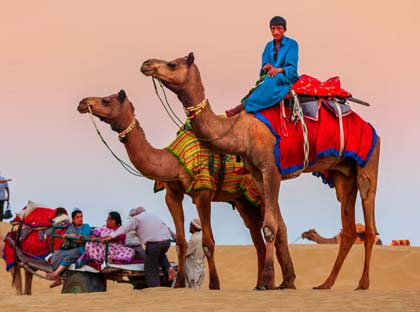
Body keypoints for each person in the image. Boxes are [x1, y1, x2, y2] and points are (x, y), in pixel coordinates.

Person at [226, 16, 299, 116]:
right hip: (270, 77)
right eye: (273, 28)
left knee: (273, 79)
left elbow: (292, 69)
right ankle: (247, 105)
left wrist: (278, 69)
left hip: (285, 78)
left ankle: (244, 106)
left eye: (279, 28)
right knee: (263, 82)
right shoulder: (268, 46)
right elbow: (263, 70)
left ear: (285, 29)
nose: (275, 32)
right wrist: (265, 68)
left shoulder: (292, 44)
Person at [101, 207, 175, 287]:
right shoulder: (154, 216)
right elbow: (166, 227)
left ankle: (154, 289)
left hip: (152, 244)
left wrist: (111, 236)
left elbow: (125, 228)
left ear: (135, 214)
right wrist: (175, 237)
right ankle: (169, 269)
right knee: (161, 256)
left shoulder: (136, 219)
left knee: (150, 268)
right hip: (166, 242)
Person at [46, 209, 91, 288]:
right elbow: (66, 237)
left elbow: (84, 238)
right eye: (77, 217)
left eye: (81, 217)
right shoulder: (71, 227)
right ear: (73, 220)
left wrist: (75, 237)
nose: (80, 219)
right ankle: (58, 278)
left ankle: (56, 273)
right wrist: (67, 237)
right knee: (56, 254)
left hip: (81, 249)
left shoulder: (86, 226)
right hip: (70, 247)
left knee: (70, 255)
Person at [185, 218, 205, 289]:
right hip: (199, 269)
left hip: (193, 272)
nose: (189, 226)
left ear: (194, 227)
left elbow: (185, 253)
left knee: (193, 294)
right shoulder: (201, 237)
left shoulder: (194, 239)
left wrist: (179, 245)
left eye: (190, 225)